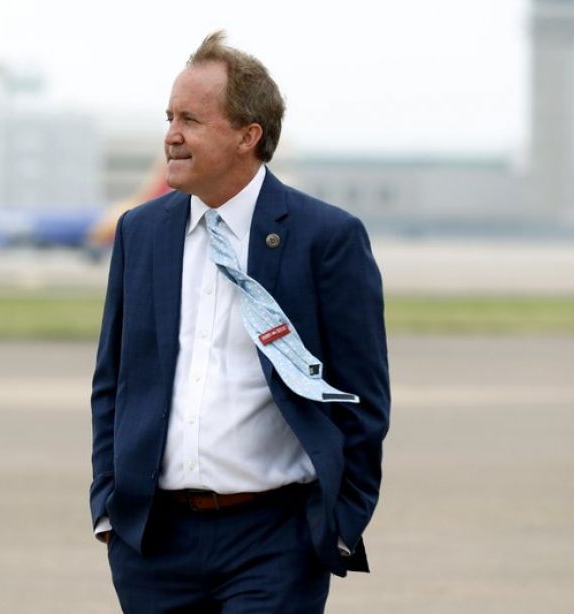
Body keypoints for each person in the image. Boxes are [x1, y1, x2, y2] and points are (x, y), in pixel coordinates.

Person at [89, 31, 390, 612]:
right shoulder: (141, 232)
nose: (171, 135)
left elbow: (363, 400)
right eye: (169, 117)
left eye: (192, 120)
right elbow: (113, 383)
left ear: (249, 135)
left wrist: (338, 523)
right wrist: (109, 506)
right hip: (154, 547)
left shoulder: (326, 239)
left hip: (274, 542)